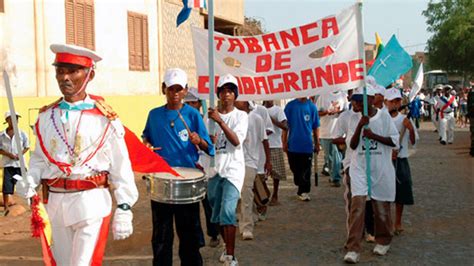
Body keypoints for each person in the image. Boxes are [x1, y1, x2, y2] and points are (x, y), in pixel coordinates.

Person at [14, 44, 138, 265]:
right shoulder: (46, 117)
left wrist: (124, 207)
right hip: (56, 205)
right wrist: (30, 179)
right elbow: (40, 160)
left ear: (90, 74)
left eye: (73, 71)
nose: (65, 78)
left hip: (90, 203)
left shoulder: (104, 118)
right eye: (60, 71)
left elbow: (121, 166)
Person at [142, 68, 214, 266]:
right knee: (161, 236)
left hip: (186, 183)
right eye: (170, 89)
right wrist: (147, 144)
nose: (174, 93)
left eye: (178, 89)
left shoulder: (192, 116)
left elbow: (210, 149)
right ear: (164, 89)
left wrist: (199, 140)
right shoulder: (154, 115)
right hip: (161, 182)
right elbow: (146, 136)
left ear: (185, 90)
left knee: (189, 235)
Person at [343, 85, 399, 264]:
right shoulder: (354, 119)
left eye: (359, 102)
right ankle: (353, 248)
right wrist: (360, 126)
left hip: (380, 167)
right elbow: (351, 145)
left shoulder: (384, 117)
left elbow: (394, 141)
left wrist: (373, 136)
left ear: (369, 100)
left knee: (381, 207)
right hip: (359, 168)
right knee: (357, 207)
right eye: (354, 102)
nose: (356, 106)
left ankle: (383, 240)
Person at [207, 74, 248, 266]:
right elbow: (208, 146)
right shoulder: (209, 117)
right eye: (223, 90)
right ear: (218, 93)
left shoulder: (241, 116)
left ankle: (232, 256)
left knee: (228, 211)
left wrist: (220, 122)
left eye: (230, 91)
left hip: (233, 170)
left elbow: (236, 141)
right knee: (216, 216)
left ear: (235, 94)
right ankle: (226, 246)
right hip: (215, 170)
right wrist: (203, 142)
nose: (226, 94)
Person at [183, 87, 220, 248]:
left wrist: (207, 141)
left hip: (205, 165)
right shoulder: (181, 118)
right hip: (190, 166)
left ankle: (213, 233)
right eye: (188, 102)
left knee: (208, 202)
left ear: (198, 103)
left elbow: (211, 144)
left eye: (193, 102)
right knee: (191, 205)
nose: (191, 105)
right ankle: (195, 237)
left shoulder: (207, 120)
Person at [385, 87, 418, 235]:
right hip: (385, 160)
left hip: (401, 159)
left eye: (397, 101)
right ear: (386, 102)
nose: (394, 104)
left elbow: (413, 141)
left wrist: (410, 129)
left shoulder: (404, 119)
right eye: (392, 101)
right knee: (384, 193)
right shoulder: (381, 118)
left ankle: (398, 221)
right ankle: (386, 221)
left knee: (401, 192)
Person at [235, 100, 267, 240]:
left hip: (250, 161)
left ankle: (246, 226)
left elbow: (264, 140)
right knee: (238, 193)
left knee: (246, 191)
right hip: (234, 161)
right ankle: (246, 216)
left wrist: (267, 162)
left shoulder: (256, 118)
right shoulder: (233, 116)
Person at [283, 97, 320, 201]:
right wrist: (284, 142)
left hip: (307, 145)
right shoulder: (290, 106)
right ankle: (300, 183)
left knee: (306, 170)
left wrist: (317, 143)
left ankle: (304, 191)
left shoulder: (312, 107)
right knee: (295, 169)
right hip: (293, 144)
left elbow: (316, 126)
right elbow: (285, 126)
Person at [0, 111, 29, 216]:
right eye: (12, 119)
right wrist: (8, 154)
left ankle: (32, 204)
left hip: (19, 164)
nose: (15, 121)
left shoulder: (22, 134)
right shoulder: (2, 135)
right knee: (6, 186)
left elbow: (27, 146)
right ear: (7, 120)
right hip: (8, 164)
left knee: (26, 184)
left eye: (16, 119)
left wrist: (20, 154)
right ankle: (6, 207)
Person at [316, 91, 347, 187]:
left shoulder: (343, 95)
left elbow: (346, 111)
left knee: (336, 155)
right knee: (328, 156)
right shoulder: (323, 95)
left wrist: (339, 112)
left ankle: (336, 178)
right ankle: (332, 174)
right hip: (325, 132)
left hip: (338, 132)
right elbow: (317, 113)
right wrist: (327, 112)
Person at [263, 100, 288, 205]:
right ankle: (265, 193)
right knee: (261, 172)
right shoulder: (259, 110)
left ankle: (275, 195)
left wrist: (272, 120)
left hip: (275, 144)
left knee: (276, 173)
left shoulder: (278, 110)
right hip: (262, 145)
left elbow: (285, 127)